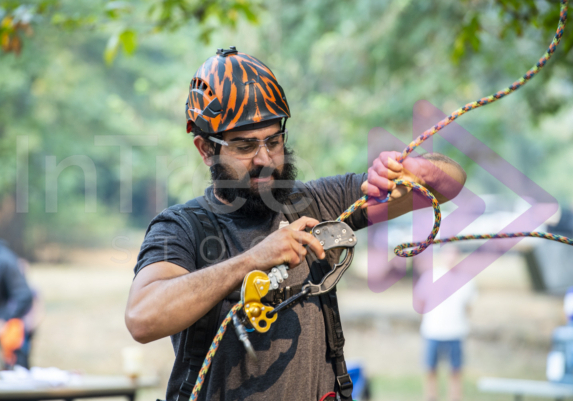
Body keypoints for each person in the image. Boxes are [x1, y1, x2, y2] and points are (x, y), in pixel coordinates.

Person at [125, 47, 467, 401]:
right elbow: (142, 317)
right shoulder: (181, 228)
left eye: (273, 141)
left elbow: (449, 185)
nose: (265, 158)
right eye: (244, 146)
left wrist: (418, 170)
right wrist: (252, 260)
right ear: (205, 149)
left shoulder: (320, 203)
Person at [414, 247, 477, 401]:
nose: (451, 257)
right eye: (448, 253)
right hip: (433, 331)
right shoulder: (430, 276)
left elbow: (469, 306)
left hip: (455, 332)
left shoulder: (466, 280)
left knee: (455, 370)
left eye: (454, 253)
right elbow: (420, 302)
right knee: (430, 369)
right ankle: (431, 397)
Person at [0, 240, 33, 369]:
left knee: (16, 376)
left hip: (10, 331)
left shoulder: (5, 259)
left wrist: (5, 319)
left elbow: (23, 294)